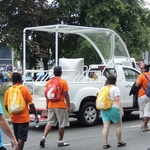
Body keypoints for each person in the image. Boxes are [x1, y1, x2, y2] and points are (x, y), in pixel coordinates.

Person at [4, 72, 39, 150]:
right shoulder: (24, 90)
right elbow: (31, 105)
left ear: (12, 80)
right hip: (23, 118)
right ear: (21, 80)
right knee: (21, 138)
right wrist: (36, 115)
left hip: (13, 118)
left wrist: (11, 113)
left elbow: (6, 106)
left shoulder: (8, 91)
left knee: (16, 137)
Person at [39, 66, 72, 148]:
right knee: (62, 124)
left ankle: (43, 137)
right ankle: (60, 141)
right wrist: (69, 106)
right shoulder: (63, 82)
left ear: (53, 73)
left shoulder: (48, 82)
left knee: (50, 122)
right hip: (60, 105)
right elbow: (66, 95)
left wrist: (47, 106)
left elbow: (47, 96)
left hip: (51, 105)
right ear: (61, 73)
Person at [101, 75, 126, 149]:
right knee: (118, 126)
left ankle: (105, 144)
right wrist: (121, 110)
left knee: (105, 127)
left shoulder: (103, 88)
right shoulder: (115, 88)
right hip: (113, 108)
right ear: (115, 80)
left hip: (104, 108)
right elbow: (117, 100)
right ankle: (119, 141)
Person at [136, 64, 150, 132]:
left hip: (142, 95)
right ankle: (146, 126)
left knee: (142, 111)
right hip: (149, 95)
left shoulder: (141, 76)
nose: (140, 69)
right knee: (147, 111)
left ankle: (144, 125)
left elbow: (137, 85)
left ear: (144, 69)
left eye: (141, 68)